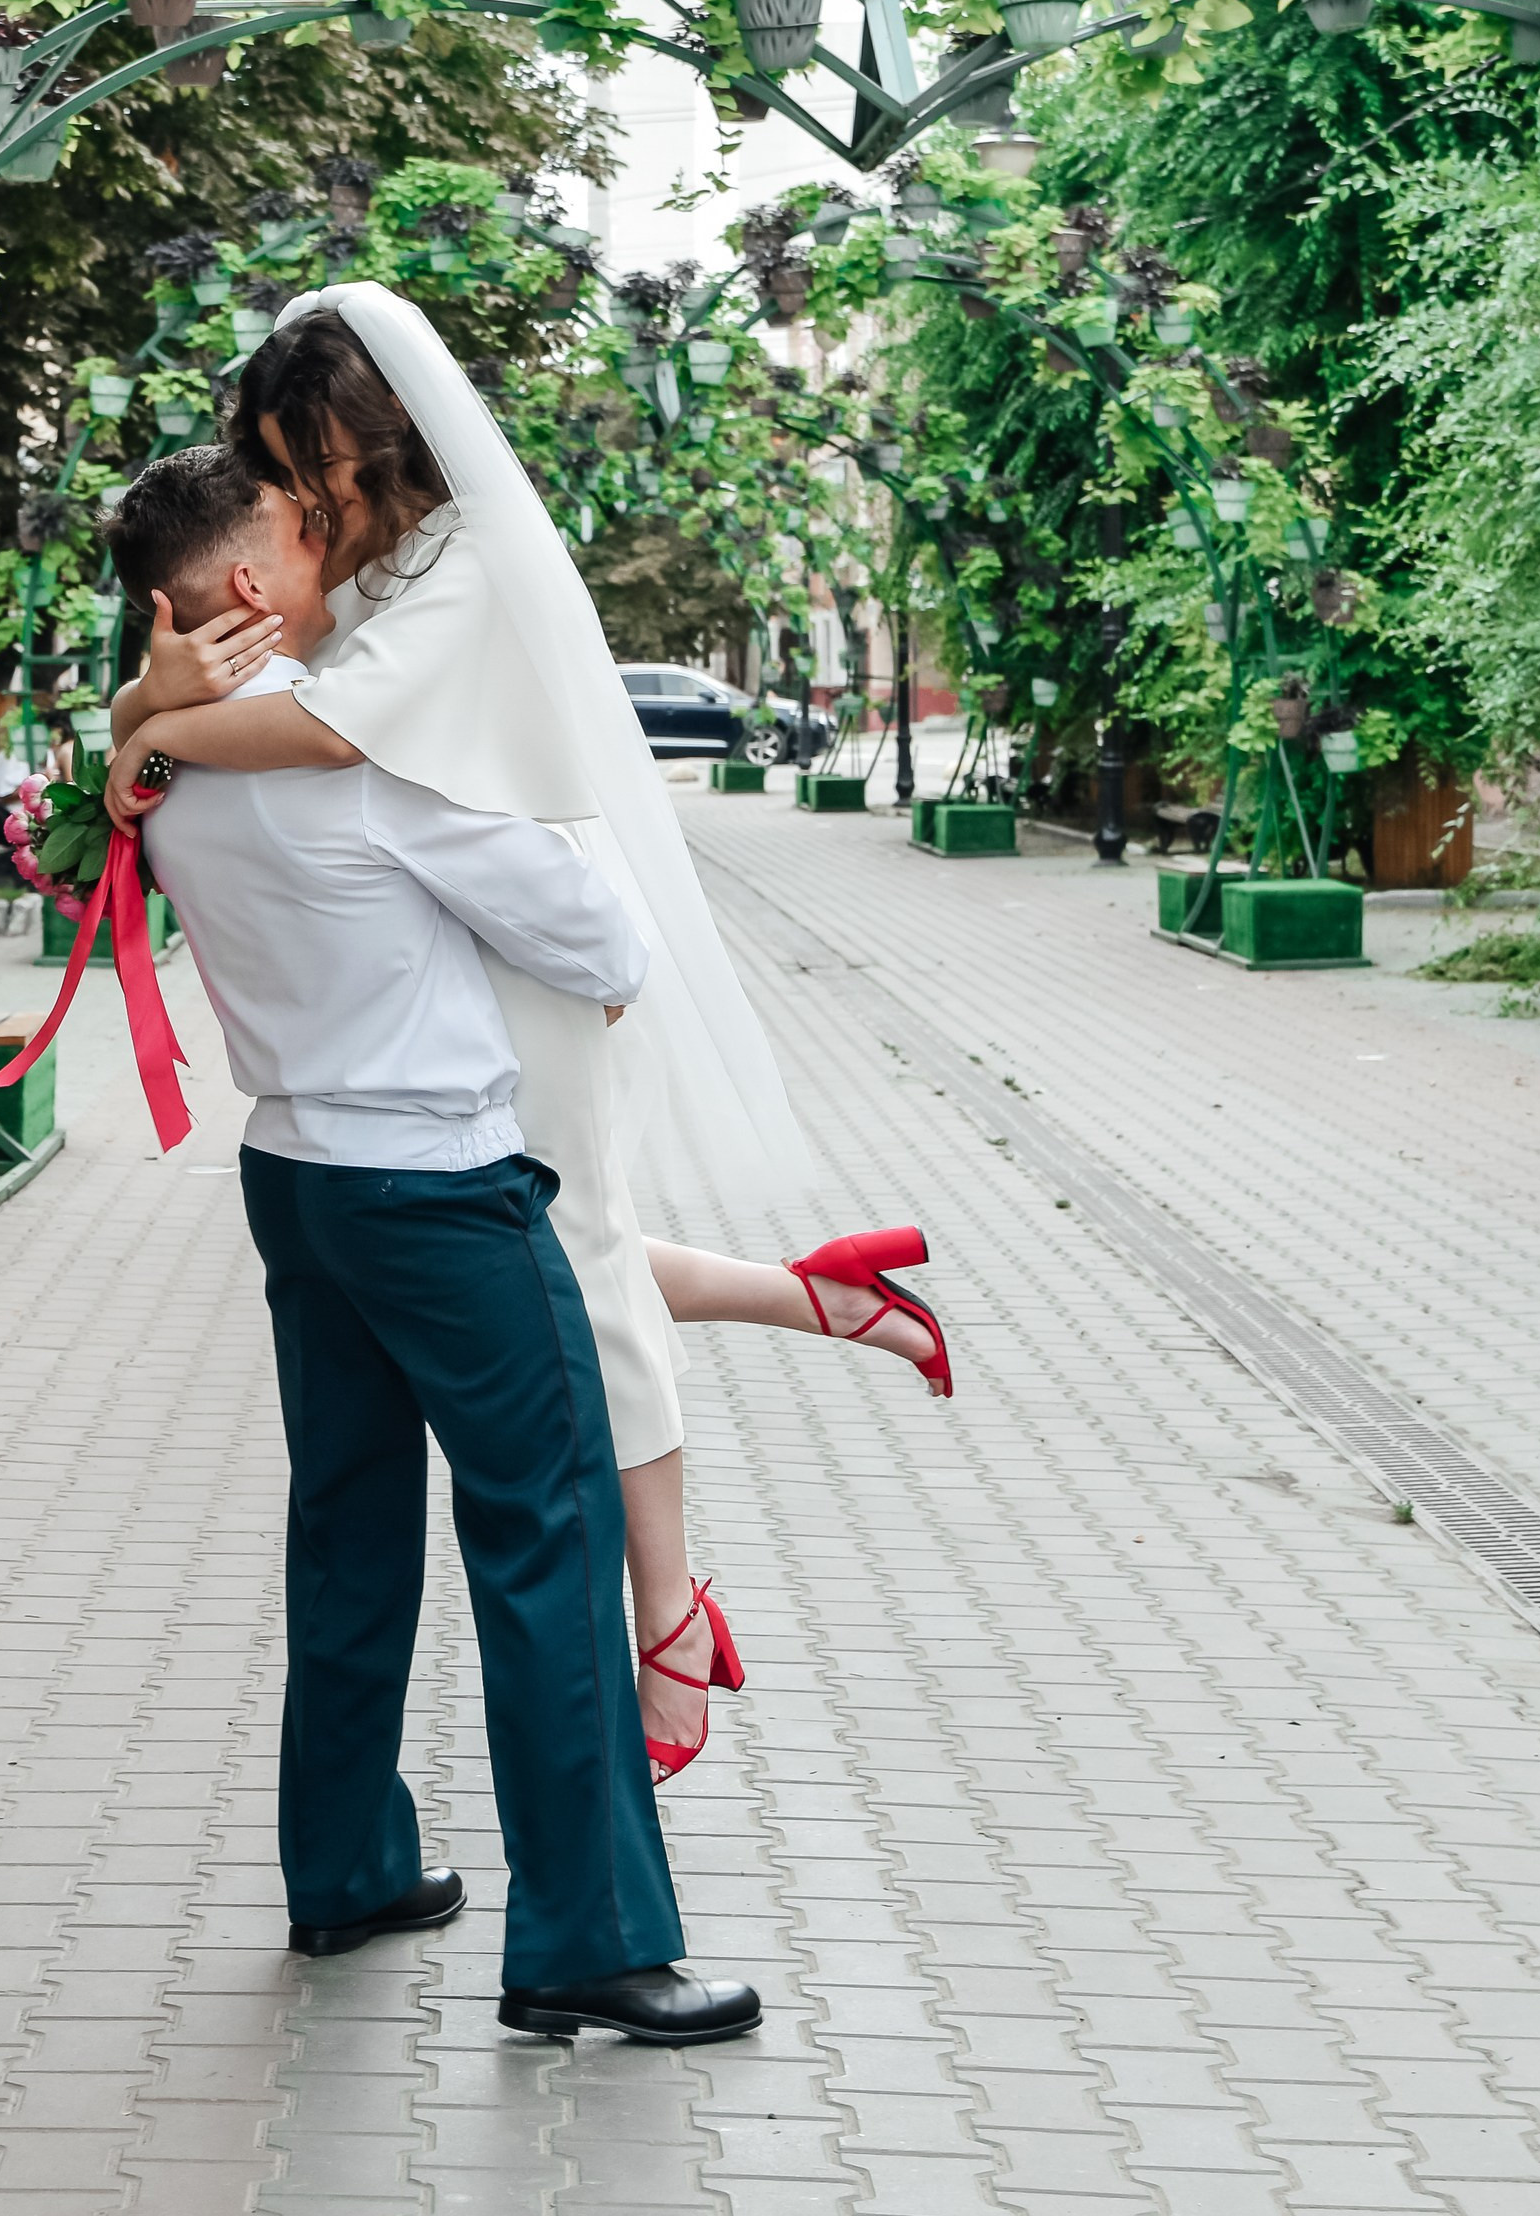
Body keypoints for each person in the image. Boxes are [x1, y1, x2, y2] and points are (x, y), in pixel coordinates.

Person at [106, 287, 950, 1781]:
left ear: (379, 442)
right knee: (564, 1245)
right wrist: (141, 700)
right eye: (282, 472)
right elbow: (251, 669)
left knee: (574, 1265)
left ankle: (669, 1611)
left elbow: (320, 731)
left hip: (532, 928)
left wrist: (153, 732)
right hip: (431, 934)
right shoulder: (369, 561)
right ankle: (812, 1302)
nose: (300, 502)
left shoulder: (470, 561)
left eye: (314, 467)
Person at [110, 446, 761, 2045]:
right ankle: (587, 1944)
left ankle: (344, 1868)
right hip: (443, 1192)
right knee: (547, 1533)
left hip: (296, 1182)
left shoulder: (161, 770)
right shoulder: (374, 772)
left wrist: (138, 707)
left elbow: (113, 784)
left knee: (347, 1530)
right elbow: (607, 943)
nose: (336, 546)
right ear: (251, 587)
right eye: (304, 532)